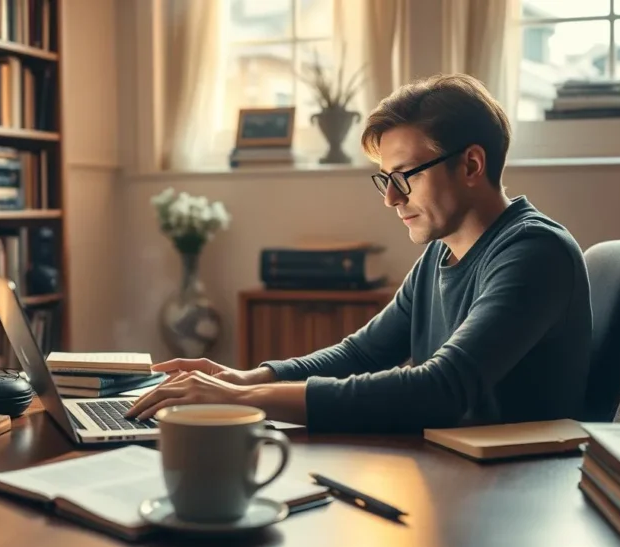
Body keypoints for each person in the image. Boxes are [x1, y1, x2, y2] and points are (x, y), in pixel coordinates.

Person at [126, 73, 592, 432]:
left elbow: (441, 388)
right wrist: (245, 378)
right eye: (385, 178)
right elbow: (361, 353)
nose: (391, 198)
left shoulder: (534, 252)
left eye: (405, 175)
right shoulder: (440, 254)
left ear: (471, 164)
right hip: (458, 468)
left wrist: (246, 400)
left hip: (518, 493)